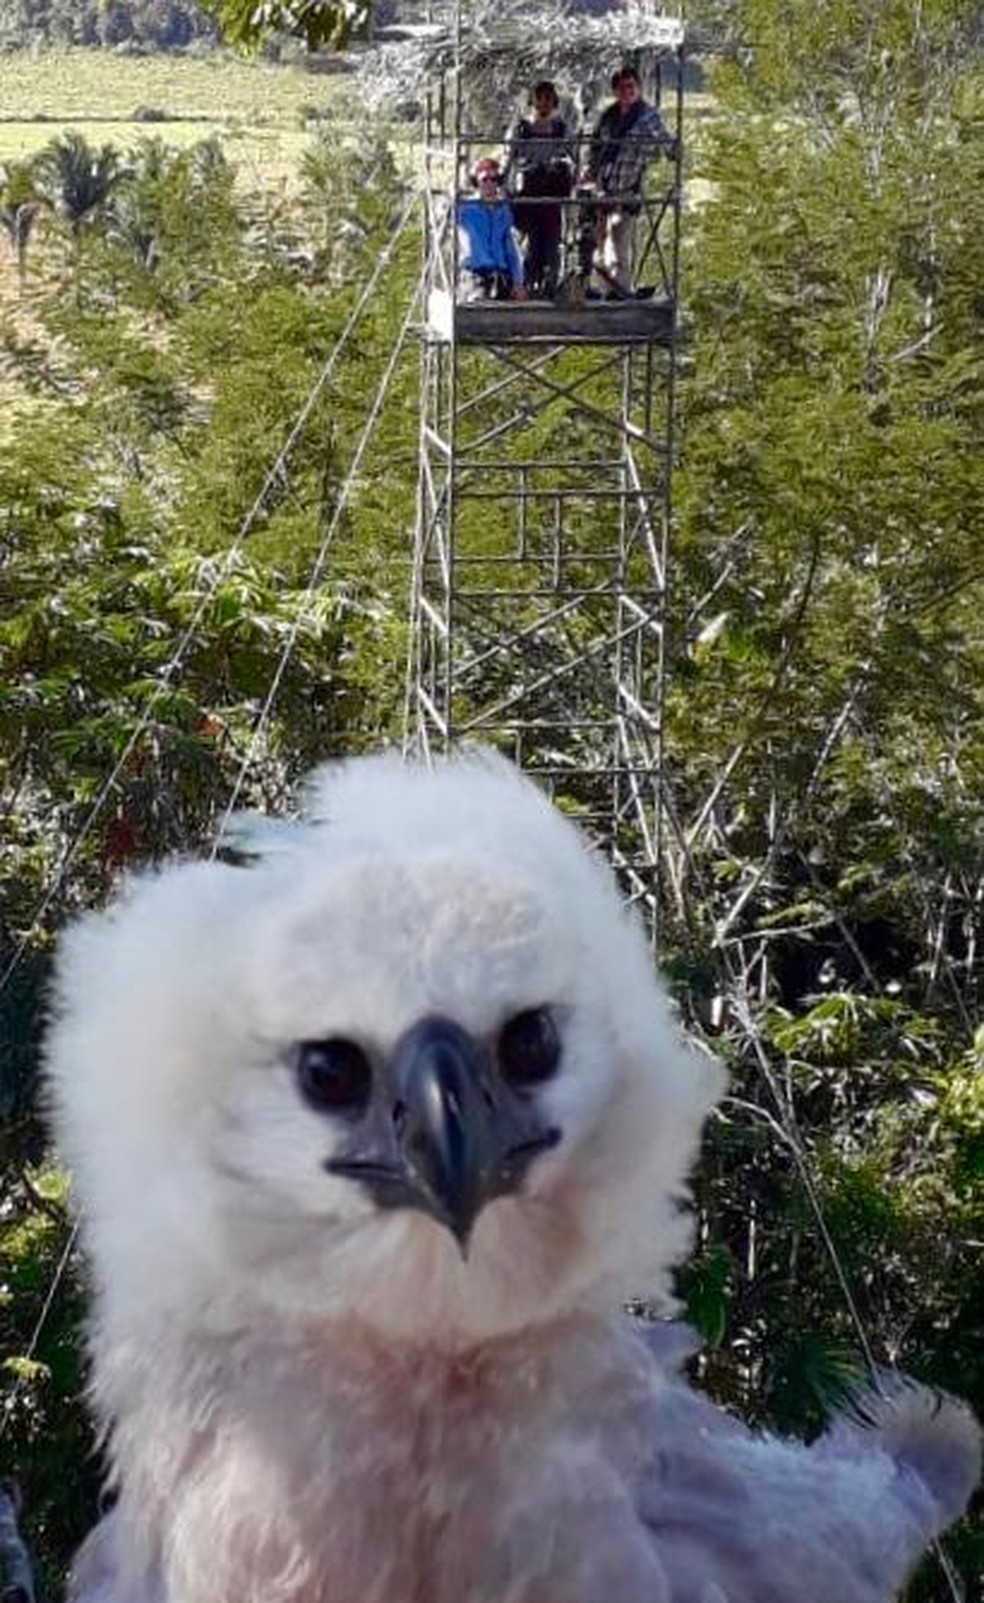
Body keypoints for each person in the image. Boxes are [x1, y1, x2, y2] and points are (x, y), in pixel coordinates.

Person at [584, 64, 676, 297]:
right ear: (616, 90)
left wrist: (673, 150)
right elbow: (594, 148)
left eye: (632, 86)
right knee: (594, 243)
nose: (628, 91)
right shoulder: (609, 116)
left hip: (627, 189)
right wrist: (588, 171)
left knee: (619, 242)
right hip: (602, 190)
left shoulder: (646, 116)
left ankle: (620, 293)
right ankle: (603, 289)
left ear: (638, 87)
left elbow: (664, 140)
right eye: (623, 87)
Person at [501, 80, 575, 299]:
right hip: (528, 194)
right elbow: (508, 158)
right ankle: (527, 283)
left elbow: (574, 158)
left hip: (553, 194)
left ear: (554, 102)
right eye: (539, 99)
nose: (543, 104)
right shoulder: (521, 129)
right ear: (532, 101)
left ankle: (551, 284)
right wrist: (502, 185)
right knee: (531, 243)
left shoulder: (562, 129)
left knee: (552, 243)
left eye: (547, 99)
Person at [457, 157, 527, 302]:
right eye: (484, 179)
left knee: (518, 306)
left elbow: (510, 250)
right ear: (477, 181)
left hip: (500, 275)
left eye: (493, 179)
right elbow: (444, 214)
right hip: (474, 274)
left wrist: (518, 282)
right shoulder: (465, 209)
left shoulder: (504, 210)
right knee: (479, 302)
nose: (489, 184)